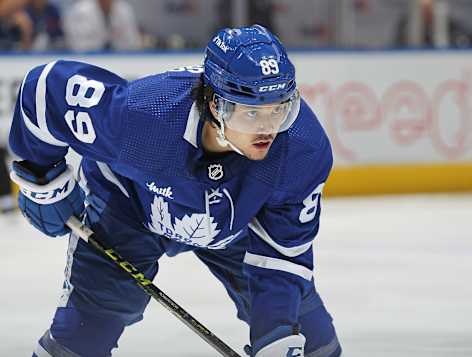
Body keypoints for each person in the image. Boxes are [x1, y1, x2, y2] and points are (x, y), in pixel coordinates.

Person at [9, 25, 341, 357]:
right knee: (83, 335)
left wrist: (278, 333)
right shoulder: (144, 117)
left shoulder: (302, 150)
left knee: (311, 341)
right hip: (129, 208)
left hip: (234, 224)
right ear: (215, 105)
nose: (268, 129)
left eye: (279, 109)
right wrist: (43, 181)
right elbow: (45, 89)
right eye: (252, 112)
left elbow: (281, 257)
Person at [62, 0, 141, 52]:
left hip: (119, 57)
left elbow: (132, 40)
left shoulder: (123, 9)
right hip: (87, 58)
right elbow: (75, 42)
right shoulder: (80, 10)